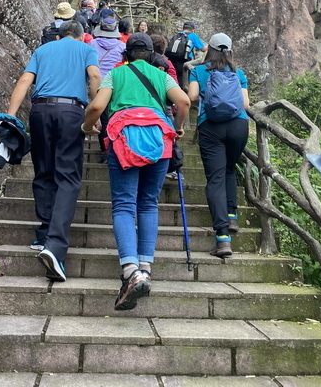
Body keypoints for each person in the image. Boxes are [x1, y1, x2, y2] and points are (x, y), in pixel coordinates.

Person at [82, 33, 190, 310]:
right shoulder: (161, 75)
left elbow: (96, 105)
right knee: (148, 204)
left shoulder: (116, 75)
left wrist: (87, 127)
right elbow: (185, 102)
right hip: (159, 141)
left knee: (123, 205)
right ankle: (145, 267)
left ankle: (131, 271)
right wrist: (178, 125)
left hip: (124, 140)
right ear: (152, 53)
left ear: (126, 53)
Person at [7, 21, 101, 281]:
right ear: (82, 37)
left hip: (40, 111)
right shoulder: (85, 50)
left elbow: (25, 80)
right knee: (68, 177)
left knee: (43, 171)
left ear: (59, 36)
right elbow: (94, 76)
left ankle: (44, 234)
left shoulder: (43, 50)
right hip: (71, 111)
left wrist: (11, 117)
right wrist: (96, 110)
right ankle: (55, 247)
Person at [187, 33, 249, 259]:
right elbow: (245, 103)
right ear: (229, 51)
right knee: (229, 169)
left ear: (209, 50)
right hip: (238, 125)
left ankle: (223, 239)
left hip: (211, 126)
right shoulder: (238, 73)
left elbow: (192, 96)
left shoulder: (199, 71)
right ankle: (232, 215)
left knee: (215, 178)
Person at [91, 9, 126, 162]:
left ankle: (105, 150)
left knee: (103, 118)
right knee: (117, 116)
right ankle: (118, 148)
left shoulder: (92, 43)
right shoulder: (121, 46)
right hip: (116, 84)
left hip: (98, 84)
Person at [167, 21, 207, 89]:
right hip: (184, 62)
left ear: (183, 29)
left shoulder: (177, 35)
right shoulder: (193, 35)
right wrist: (207, 46)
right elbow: (203, 49)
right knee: (183, 84)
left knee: (174, 82)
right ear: (193, 30)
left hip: (172, 61)